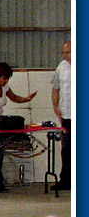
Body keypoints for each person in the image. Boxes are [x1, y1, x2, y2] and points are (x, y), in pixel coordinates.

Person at [0, 62, 37, 194]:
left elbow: (13, 97)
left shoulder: (5, 87)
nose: (6, 81)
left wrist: (26, 99)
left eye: (7, 78)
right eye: (4, 78)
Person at [50, 41, 71, 191]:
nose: (65, 55)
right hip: (67, 114)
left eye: (68, 52)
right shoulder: (61, 67)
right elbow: (55, 88)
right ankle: (66, 180)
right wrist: (56, 106)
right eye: (64, 52)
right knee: (67, 148)